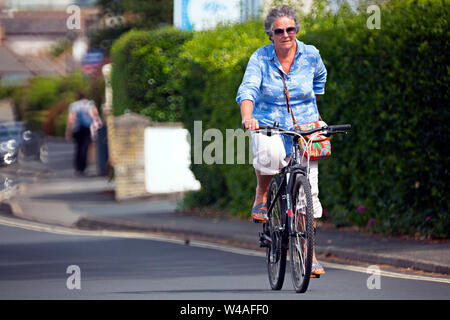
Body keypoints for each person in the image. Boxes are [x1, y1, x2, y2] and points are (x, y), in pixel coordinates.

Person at [236, 5, 327, 276]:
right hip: (269, 122)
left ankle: (309, 256)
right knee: (271, 154)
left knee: (308, 194)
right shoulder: (260, 59)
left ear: (296, 30)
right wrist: (248, 116)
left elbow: (319, 80)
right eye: (279, 31)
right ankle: (262, 194)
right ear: (271, 35)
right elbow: (248, 88)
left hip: (305, 126)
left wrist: (312, 111)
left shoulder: (311, 55)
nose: (286, 34)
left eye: (290, 29)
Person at [65, 91, 102, 175]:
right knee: (85, 148)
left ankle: (78, 167)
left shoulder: (74, 105)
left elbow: (70, 119)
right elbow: (96, 114)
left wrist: (68, 131)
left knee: (78, 147)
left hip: (77, 129)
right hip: (87, 129)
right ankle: (84, 167)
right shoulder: (90, 104)